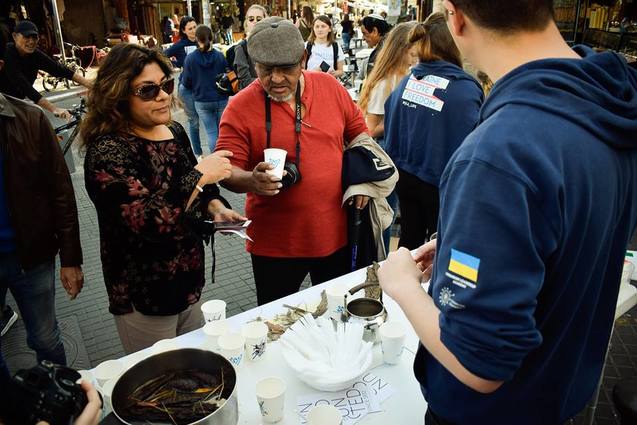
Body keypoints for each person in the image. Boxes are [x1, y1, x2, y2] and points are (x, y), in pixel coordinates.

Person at [377, 0, 637, 424]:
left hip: (494, 411)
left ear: (455, 17)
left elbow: (479, 363)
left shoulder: (500, 154)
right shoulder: (609, 99)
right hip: (559, 389)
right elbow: (575, 227)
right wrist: (476, 238)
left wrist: (404, 284)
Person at [81, 43, 244, 354]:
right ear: (118, 97)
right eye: (147, 90)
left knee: (194, 366)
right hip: (144, 296)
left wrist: (216, 206)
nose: (163, 95)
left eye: (167, 84)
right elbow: (149, 221)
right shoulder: (108, 152)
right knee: (161, 382)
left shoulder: (173, 129)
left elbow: (199, 189)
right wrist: (200, 175)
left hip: (187, 284)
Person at [215, 17, 371, 305]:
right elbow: (226, 169)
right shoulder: (238, 107)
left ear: (303, 58)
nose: (275, 79)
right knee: (276, 327)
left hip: (335, 237)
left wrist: (363, 180)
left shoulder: (330, 87)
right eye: (265, 69)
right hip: (274, 246)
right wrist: (251, 180)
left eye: (285, 68)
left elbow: (359, 135)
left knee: (335, 318)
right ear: (253, 63)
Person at [0, 26, 84, 383]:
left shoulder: (27, 121)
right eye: (26, 39)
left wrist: (70, 259)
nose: (31, 44)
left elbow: (61, 193)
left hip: (30, 256)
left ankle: (64, 398)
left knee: (46, 339)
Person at [383, 13, 483, 249]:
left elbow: (391, 115)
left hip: (405, 176)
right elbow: (476, 142)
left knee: (409, 241)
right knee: (442, 247)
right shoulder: (465, 90)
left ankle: (400, 282)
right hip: (441, 184)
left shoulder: (410, 80)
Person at [357, 21, 418, 252]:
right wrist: (400, 120)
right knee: (385, 215)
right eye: (413, 52)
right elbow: (370, 128)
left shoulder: (406, 75)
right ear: (401, 49)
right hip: (386, 154)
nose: (416, 57)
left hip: (399, 153)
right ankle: (378, 263)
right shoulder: (386, 82)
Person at [0, 20, 92, 119]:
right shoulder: (8, 53)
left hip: (16, 102)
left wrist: (90, 84)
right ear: (14, 36)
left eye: (34, 37)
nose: (31, 41)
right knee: (36, 115)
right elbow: (23, 85)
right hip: (3, 103)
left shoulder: (35, 55)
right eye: (26, 37)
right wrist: (54, 109)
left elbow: (58, 69)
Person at [181, 25, 229, 154]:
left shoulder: (190, 59)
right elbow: (228, 75)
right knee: (222, 131)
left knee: (211, 132)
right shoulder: (219, 56)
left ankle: (216, 157)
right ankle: (224, 156)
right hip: (221, 99)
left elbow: (186, 83)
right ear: (212, 37)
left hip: (202, 101)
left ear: (196, 39)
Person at [164, 17, 202, 159]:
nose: (193, 30)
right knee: (194, 121)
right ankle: (198, 154)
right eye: (190, 28)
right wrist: (176, 64)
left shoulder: (202, 41)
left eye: (195, 27)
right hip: (187, 88)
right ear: (184, 31)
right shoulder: (180, 45)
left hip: (203, 87)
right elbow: (163, 55)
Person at [234, 4, 269, 90]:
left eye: (259, 19)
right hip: (252, 97)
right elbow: (245, 81)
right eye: (251, 19)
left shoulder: (271, 44)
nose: (255, 22)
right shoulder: (241, 48)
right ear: (247, 23)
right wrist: (270, 82)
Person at [359, 14, 391, 79]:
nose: (363, 38)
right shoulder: (388, 45)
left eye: (364, 33)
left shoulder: (385, 51)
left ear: (374, 31)